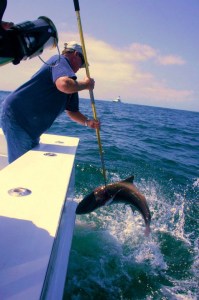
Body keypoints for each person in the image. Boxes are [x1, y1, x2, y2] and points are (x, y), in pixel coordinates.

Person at [1, 41, 100, 163]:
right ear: (75, 54)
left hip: (32, 129)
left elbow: (72, 111)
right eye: (82, 63)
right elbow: (63, 85)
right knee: (19, 167)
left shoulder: (72, 82)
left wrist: (87, 122)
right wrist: (86, 84)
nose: (80, 67)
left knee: (28, 166)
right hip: (17, 118)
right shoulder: (59, 60)